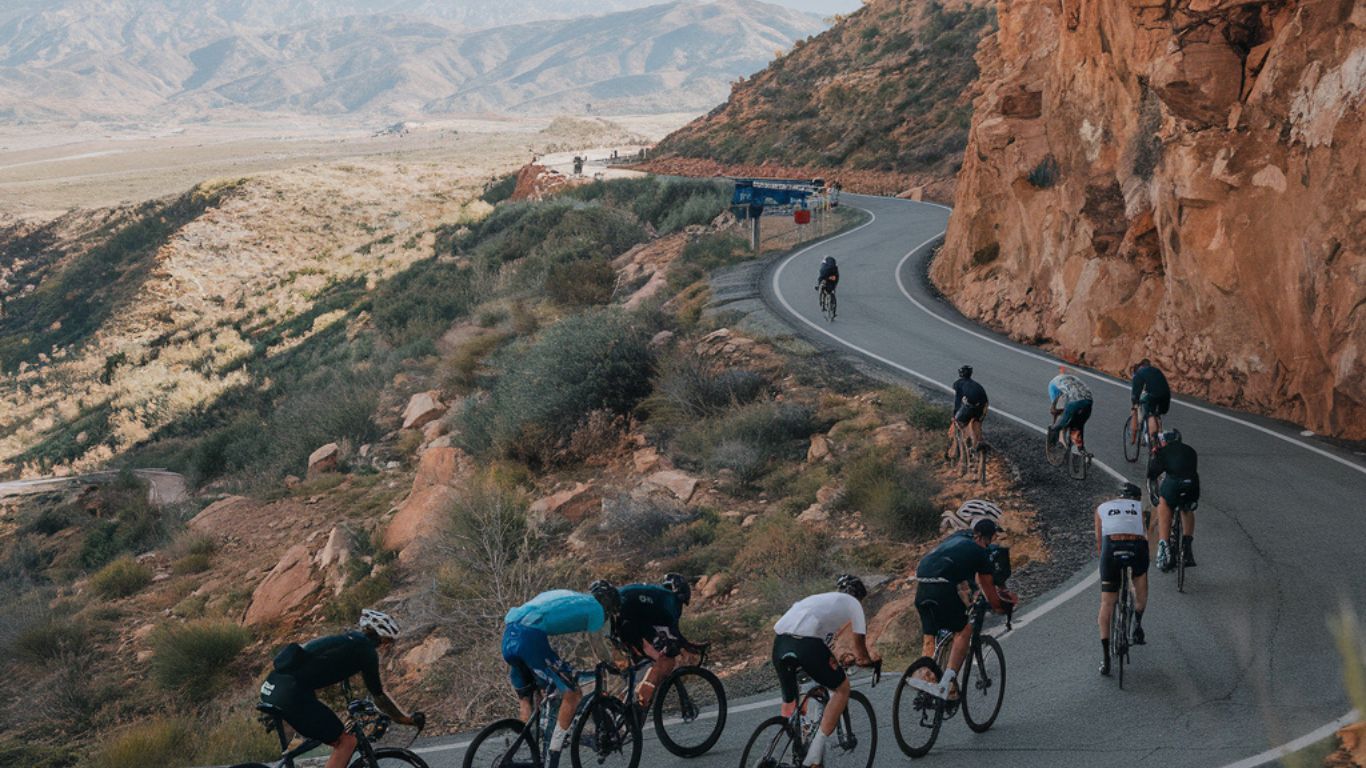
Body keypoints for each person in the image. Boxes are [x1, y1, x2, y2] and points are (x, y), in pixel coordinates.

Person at [258, 610, 424, 768]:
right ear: (379, 637)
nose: (387, 647)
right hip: (291, 693)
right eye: (388, 641)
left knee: (313, 741)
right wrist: (405, 719)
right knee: (346, 742)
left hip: (273, 687)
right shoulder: (366, 651)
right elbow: (379, 695)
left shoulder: (347, 642)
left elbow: (344, 688)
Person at [502, 584, 620, 768]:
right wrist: (611, 663)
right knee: (572, 693)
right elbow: (597, 645)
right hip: (530, 638)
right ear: (607, 604)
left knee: (529, 698)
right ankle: (552, 756)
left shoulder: (571, 597)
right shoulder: (596, 608)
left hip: (509, 634)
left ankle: (525, 750)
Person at [771, 574, 880, 768]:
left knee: (791, 701)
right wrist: (869, 663)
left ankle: (791, 749)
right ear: (860, 597)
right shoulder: (853, 606)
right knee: (842, 688)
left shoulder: (822, 601)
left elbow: (823, 648)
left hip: (780, 642)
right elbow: (860, 650)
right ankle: (814, 757)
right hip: (806, 645)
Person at [913, 509, 1009, 698]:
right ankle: (947, 685)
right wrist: (999, 607)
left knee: (930, 634)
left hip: (922, 585)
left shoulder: (955, 541)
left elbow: (960, 578)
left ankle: (924, 676)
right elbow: (989, 592)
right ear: (989, 538)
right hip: (942, 589)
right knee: (964, 631)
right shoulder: (982, 553)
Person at [611, 573, 695, 708]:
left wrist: (685, 644)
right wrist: (691, 647)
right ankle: (640, 703)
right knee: (667, 660)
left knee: (646, 661)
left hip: (619, 618)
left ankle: (627, 702)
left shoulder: (657, 596)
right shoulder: (671, 601)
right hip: (628, 619)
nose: (681, 607)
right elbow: (674, 634)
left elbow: (666, 633)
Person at [1096, 483, 1149, 676]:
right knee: (1141, 579)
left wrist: (1105, 566)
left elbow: (1100, 542)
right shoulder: (1141, 508)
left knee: (1107, 602)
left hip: (1111, 550)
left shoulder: (1102, 508)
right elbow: (1144, 535)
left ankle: (1106, 659)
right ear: (1137, 499)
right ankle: (1137, 625)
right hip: (1135, 548)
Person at [1147, 429, 1200, 570]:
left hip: (1175, 484)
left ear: (1163, 442)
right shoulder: (1190, 450)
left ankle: (1163, 547)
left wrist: (1155, 497)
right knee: (1186, 507)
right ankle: (1187, 546)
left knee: (1164, 502)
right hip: (1193, 484)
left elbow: (1152, 475)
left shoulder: (1162, 451)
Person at [1048, 366, 1094, 450]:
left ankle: (1052, 444)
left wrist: (1058, 420)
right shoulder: (1074, 378)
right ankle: (1081, 447)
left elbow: (1055, 406)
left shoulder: (1053, 384)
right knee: (1080, 424)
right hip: (1088, 400)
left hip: (1075, 401)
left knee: (1060, 423)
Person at [1129, 359, 1171, 449]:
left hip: (1154, 395)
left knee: (1150, 414)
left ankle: (1153, 443)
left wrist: (1134, 407)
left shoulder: (1138, 375)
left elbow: (1135, 397)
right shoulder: (1155, 370)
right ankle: (1161, 437)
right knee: (1157, 414)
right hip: (1166, 394)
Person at [952, 365, 989, 450]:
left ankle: (967, 438)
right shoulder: (976, 384)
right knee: (977, 421)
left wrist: (954, 413)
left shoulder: (958, 383)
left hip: (971, 405)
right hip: (983, 405)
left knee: (959, 421)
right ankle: (978, 442)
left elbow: (958, 401)